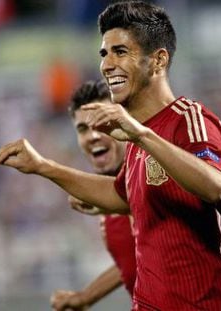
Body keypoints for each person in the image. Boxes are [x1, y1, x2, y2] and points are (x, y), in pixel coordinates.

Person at [0, 1, 221, 309]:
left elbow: (214, 185)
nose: (106, 64)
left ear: (157, 61)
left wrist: (141, 135)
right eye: (104, 53)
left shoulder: (189, 120)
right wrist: (43, 167)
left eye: (120, 52)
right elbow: (122, 195)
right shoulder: (134, 138)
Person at [50, 80, 136, 310]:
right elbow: (133, 259)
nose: (93, 136)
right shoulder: (103, 196)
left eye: (101, 124)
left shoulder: (154, 170)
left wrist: (42, 167)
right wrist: (85, 297)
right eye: (82, 129)